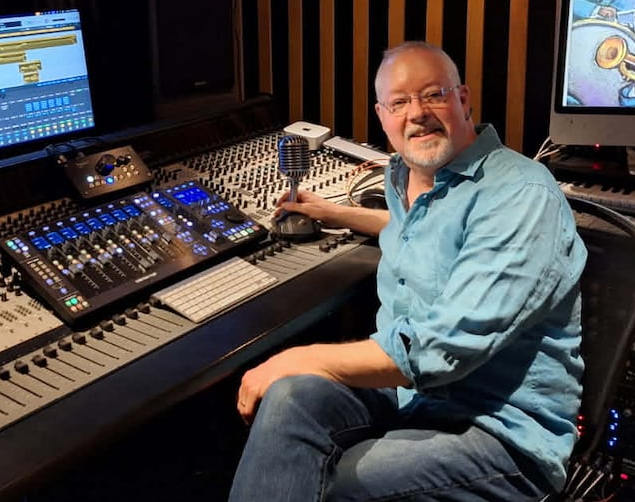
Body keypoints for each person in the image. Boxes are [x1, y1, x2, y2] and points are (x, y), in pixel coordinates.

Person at [229, 42, 587, 502]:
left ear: (463, 98)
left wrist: (302, 357)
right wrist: (338, 213)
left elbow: (441, 350)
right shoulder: (404, 179)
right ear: (382, 116)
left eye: (433, 94)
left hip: (496, 431)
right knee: (290, 400)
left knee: (324, 482)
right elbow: (425, 231)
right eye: (399, 103)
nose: (416, 113)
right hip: (407, 399)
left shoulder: (519, 194)